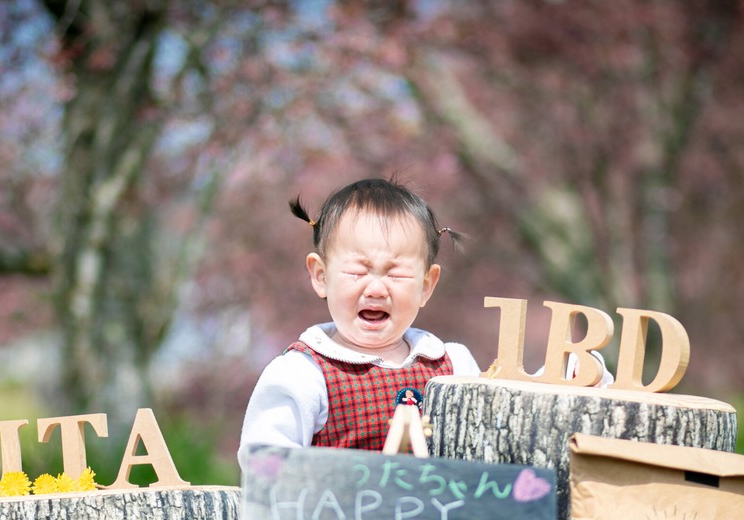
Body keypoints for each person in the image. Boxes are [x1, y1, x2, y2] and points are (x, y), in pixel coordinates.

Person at [237, 176, 612, 460]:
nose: (376, 288)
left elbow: (505, 416)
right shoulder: (303, 374)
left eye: (397, 274)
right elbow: (264, 465)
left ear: (426, 286)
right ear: (321, 276)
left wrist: (565, 378)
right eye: (358, 271)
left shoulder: (452, 365)